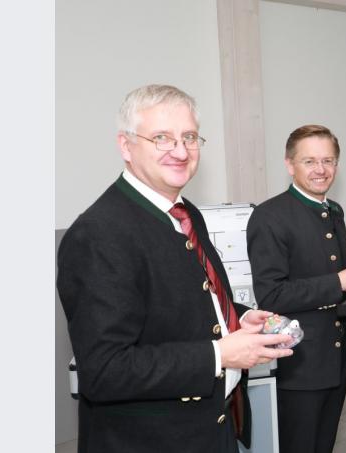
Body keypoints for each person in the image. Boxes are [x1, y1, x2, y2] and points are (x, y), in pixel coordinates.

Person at [57, 84, 294, 453]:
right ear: (126, 145)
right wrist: (220, 354)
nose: (181, 151)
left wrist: (237, 318)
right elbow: (104, 371)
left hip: (210, 431)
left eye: (189, 137)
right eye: (162, 138)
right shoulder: (98, 234)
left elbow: (186, 305)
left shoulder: (186, 213)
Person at [246, 125, 346, 453]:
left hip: (336, 357)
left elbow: (336, 281)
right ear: (289, 164)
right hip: (301, 362)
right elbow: (271, 295)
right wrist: (341, 281)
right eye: (309, 161)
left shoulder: (333, 211)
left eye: (328, 160)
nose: (321, 169)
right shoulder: (269, 216)